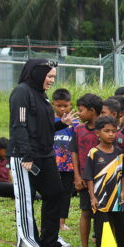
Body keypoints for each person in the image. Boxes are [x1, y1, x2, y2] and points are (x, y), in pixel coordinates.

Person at [8, 58, 75, 247]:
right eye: (49, 76)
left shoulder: (42, 95)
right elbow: (19, 126)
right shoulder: (21, 93)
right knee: (26, 198)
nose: (52, 80)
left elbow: (43, 128)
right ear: (38, 74)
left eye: (54, 76)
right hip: (25, 156)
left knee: (55, 193)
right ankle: (27, 240)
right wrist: (26, 155)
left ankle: (49, 239)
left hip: (45, 154)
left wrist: (62, 124)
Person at [83, 116, 124, 247]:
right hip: (100, 197)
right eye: (107, 131)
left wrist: (123, 192)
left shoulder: (119, 152)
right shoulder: (94, 153)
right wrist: (92, 197)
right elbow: (89, 177)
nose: (111, 134)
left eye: (114, 131)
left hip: (118, 197)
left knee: (122, 225)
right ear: (98, 133)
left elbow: (123, 174)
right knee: (102, 226)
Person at [71, 93, 104, 247]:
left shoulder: (106, 129)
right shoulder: (78, 130)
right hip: (84, 180)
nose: (78, 113)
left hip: (104, 179)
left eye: (81, 110)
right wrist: (77, 176)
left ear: (92, 111)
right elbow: (75, 153)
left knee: (105, 214)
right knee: (86, 213)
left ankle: (105, 246)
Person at [51, 88, 75, 229]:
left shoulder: (75, 123)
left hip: (69, 166)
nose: (62, 108)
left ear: (70, 105)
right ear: (53, 104)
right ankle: (51, 219)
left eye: (65, 106)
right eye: (59, 105)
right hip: (51, 164)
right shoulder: (49, 121)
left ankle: (61, 222)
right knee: (52, 192)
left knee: (66, 193)